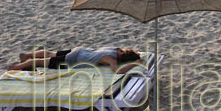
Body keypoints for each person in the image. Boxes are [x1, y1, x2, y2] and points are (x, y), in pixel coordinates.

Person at [8, 47, 143, 73]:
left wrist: (135, 55)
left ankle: (26, 55)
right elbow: (117, 71)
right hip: (75, 58)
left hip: (81, 50)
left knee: (52, 53)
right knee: (45, 62)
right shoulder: (111, 59)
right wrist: (134, 64)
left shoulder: (116, 49)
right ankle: (14, 68)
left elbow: (133, 52)